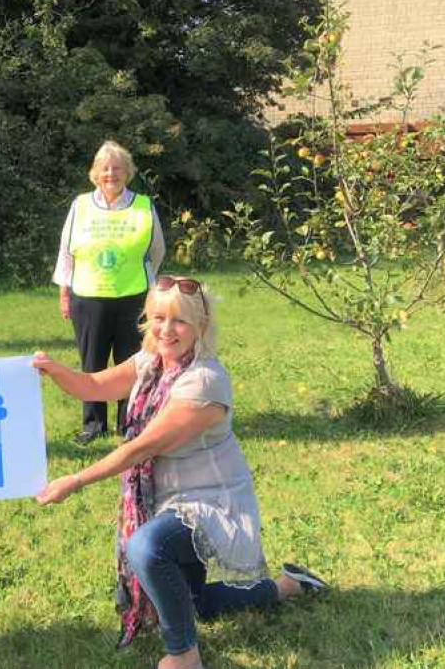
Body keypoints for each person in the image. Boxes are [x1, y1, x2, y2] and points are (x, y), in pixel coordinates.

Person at [34, 276, 326, 669]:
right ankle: (287, 586)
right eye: (158, 318)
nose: (166, 330)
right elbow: (93, 386)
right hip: (168, 498)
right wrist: (53, 370)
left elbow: (143, 447)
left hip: (210, 502)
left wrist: (75, 480)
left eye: (179, 322)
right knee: (195, 603)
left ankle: (184, 654)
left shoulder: (205, 382)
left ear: (201, 326)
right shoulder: (151, 362)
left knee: (146, 547)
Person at [52, 140, 165, 444]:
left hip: (134, 298)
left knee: (133, 363)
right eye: (105, 168)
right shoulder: (80, 205)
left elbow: (156, 251)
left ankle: (129, 424)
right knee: (92, 363)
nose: (110, 174)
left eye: (117, 168)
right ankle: (93, 424)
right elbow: (66, 252)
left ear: (127, 173)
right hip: (88, 298)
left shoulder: (143, 205)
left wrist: (142, 281)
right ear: (95, 173)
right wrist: (64, 293)